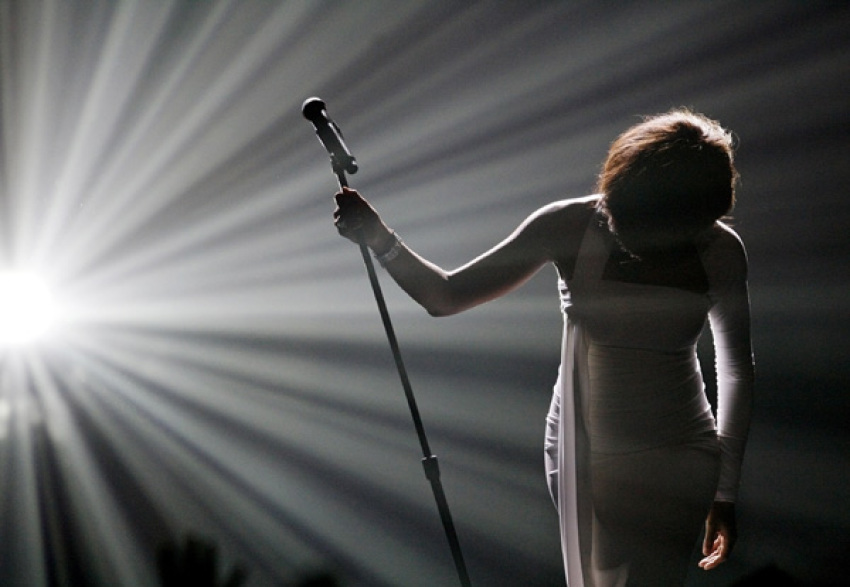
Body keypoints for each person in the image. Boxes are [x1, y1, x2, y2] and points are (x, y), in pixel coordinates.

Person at [332, 108, 754, 586]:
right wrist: (380, 239)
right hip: (583, 451)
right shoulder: (568, 225)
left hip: (680, 455)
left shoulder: (720, 249)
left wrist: (725, 491)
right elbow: (445, 296)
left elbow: (736, 367)